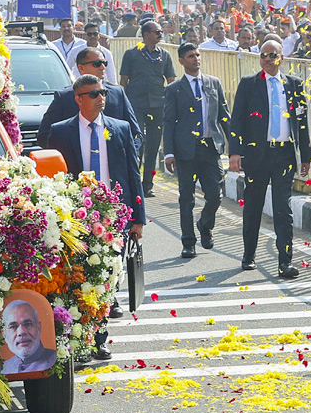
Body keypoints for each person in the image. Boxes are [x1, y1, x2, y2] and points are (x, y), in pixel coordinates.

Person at [46, 74, 146, 361]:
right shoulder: (61, 131)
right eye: (93, 94)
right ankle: (80, 339)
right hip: (76, 217)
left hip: (113, 215)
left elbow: (132, 174)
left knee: (106, 279)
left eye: (102, 93)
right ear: (78, 99)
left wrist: (138, 219)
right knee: (80, 279)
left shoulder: (121, 129)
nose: (100, 97)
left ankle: (99, 340)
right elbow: (55, 176)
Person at [227, 37, 311, 277]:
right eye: (263, 55)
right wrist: (235, 152)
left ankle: (285, 261)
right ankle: (249, 255)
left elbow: (302, 122)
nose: (267, 59)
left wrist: (305, 156)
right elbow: (237, 120)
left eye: (272, 55)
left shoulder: (294, 85)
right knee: (253, 205)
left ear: (281, 58)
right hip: (257, 154)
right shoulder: (249, 84)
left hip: (284, 154)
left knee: (282, 208)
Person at [164, 44, 231, 258]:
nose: (196, 59)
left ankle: (204, 224)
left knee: (215, 195)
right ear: (182, 61)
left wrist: (236, 148)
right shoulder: (174, 89)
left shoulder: (213, 83)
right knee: (187, 197)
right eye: (191, 56)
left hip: (210, 148)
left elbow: (224, 116)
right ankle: (188, 242)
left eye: (198, 55)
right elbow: (169, 122)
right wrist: (169, 152)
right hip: (185, 150)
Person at [38, 46, 140, 148]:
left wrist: (129, 156)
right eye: (97, 64)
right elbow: (44, 135)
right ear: (81, 68)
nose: (102, 68)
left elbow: (135, 133)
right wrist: (67, 155)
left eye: (105, 63)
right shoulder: (64, 97)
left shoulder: (117, 94)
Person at [119, 19, 177, 197]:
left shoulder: (165, 55)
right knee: (138, 143)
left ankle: (147, 185)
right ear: (146, 35)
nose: (160, 34)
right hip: (136, 104)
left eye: (160, 32)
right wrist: (124, 104)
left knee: (153, 145)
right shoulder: (131, 54)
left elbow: (171, 80)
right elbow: (124, 81)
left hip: (158, 106)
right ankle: (134, 183)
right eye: (157, 32)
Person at [1, 300, 57, 374]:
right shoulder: (3, 369)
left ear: (38, 327)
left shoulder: (55, 361)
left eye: (28, 324)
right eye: (13, 326)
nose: (21, 332)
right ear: (4, 334)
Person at [83, 21, 119, 86]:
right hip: (81, 86)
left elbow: (111, 73)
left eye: (95, 34)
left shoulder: (106, 53)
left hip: (100, 87)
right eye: (89, 34)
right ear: (85, 35)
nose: (92, 36)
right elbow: (69, 68)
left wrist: (114, 88)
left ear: (99, 35)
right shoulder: (76, 51)